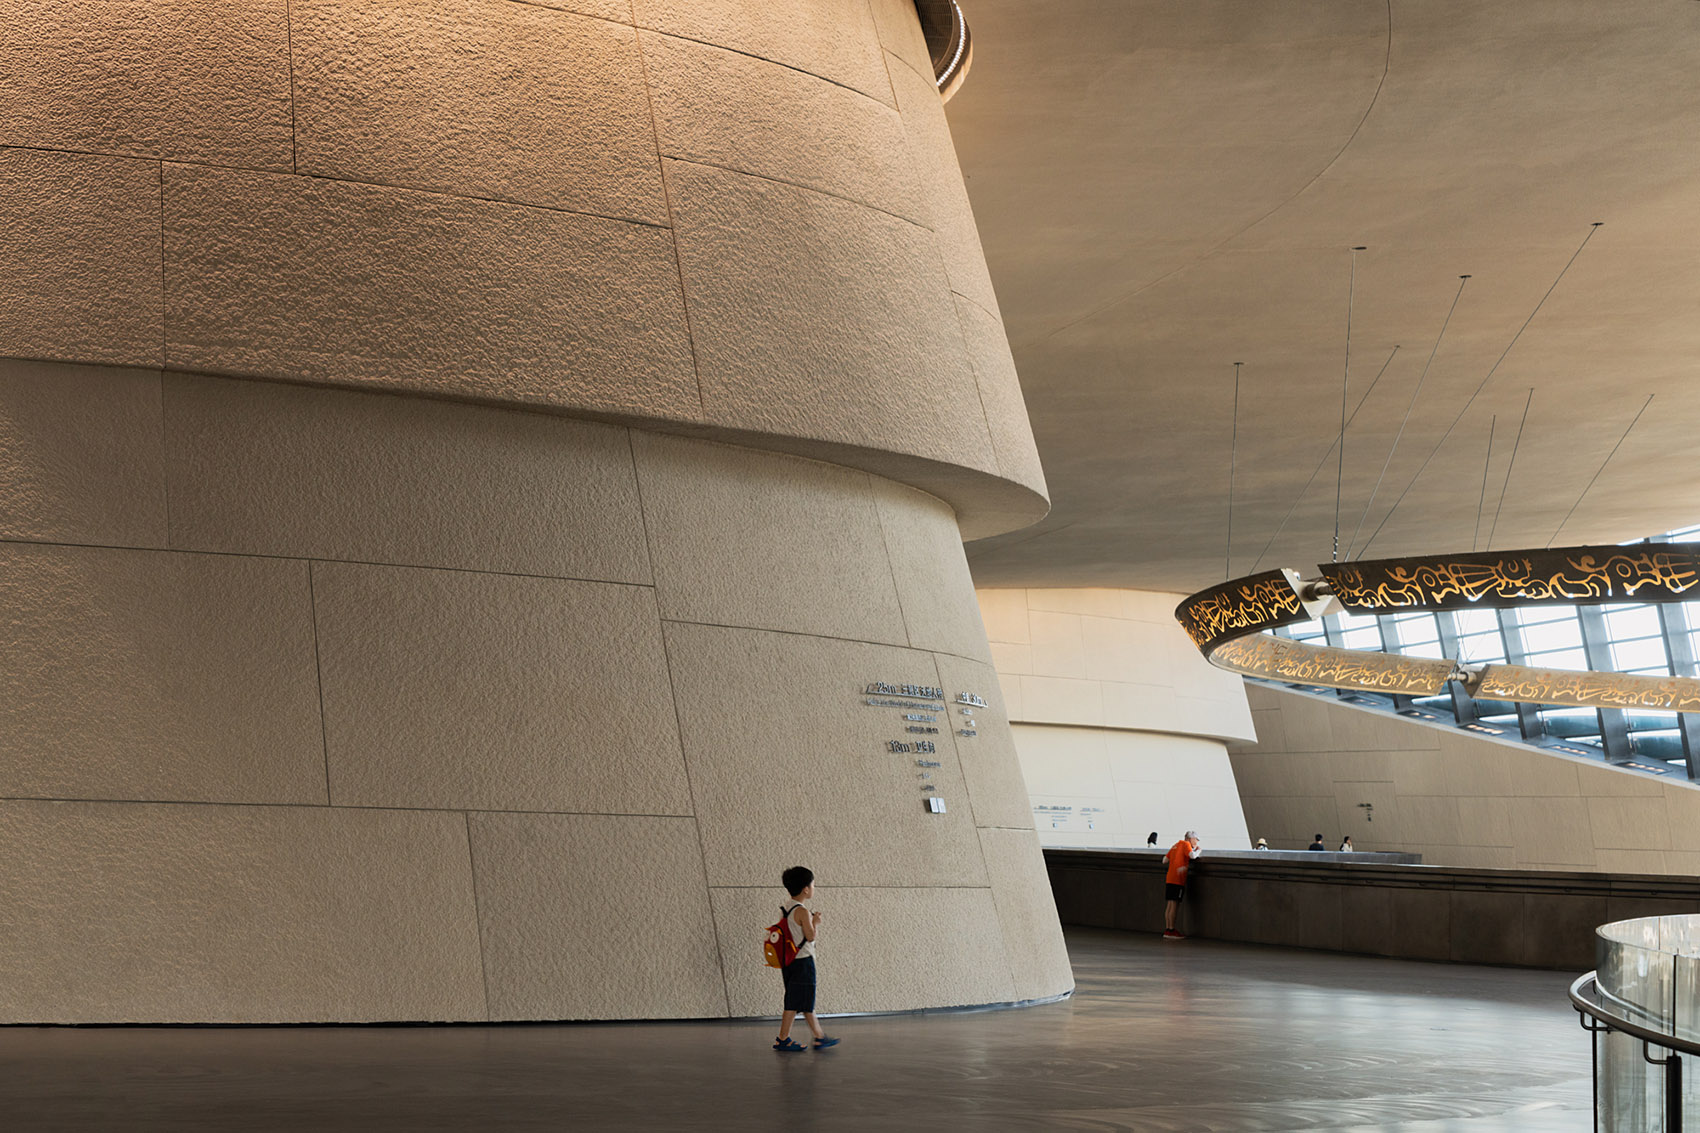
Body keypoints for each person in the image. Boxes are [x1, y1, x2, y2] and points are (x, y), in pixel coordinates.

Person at [773, 866, 839, 1052]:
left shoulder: (785, 908)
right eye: (813, 884)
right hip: (803, 961)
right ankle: (786, 1039)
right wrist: (815, 922)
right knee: (800, 1001)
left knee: (797, 1000)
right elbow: (810, 937)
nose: (813, 887)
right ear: (806, 889)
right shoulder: (802, 912)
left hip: (789, 961)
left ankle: (818, 1037)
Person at [1162, 831, 1201, 939]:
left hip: (1170, 878)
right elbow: (1192, 856)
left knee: (1169, 904)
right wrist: (1198, 851)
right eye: (1196, 840)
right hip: (1178, 880)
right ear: (1190, 839)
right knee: (1175, 905)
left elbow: (1164, 860)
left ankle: (1167, 929)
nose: (1197, 842)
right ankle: (1172, 930)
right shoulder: (1186, 844)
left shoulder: (1176, 845)